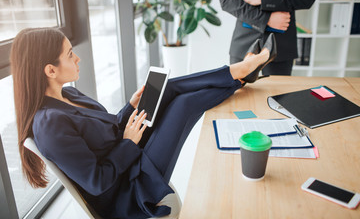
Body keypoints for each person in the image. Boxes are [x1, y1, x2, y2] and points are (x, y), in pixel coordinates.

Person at [10, 28, 275, 218]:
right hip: (126, 190)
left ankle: (239, 74)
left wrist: (130, 107)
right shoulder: (49, 125)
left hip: (127, 158)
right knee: (181, 106)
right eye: (70, 55)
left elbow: (105, 131)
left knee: (165, 90)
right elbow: (97, 182)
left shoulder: (68, 93)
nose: (77, 58)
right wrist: (128, 141)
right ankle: (240, 73)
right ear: (50, 70)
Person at [220, 0, 316, 75]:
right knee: (240, 88)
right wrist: (266, 19)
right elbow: (227, 0)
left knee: (279, 89)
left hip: (282, 44)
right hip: (245, 42)